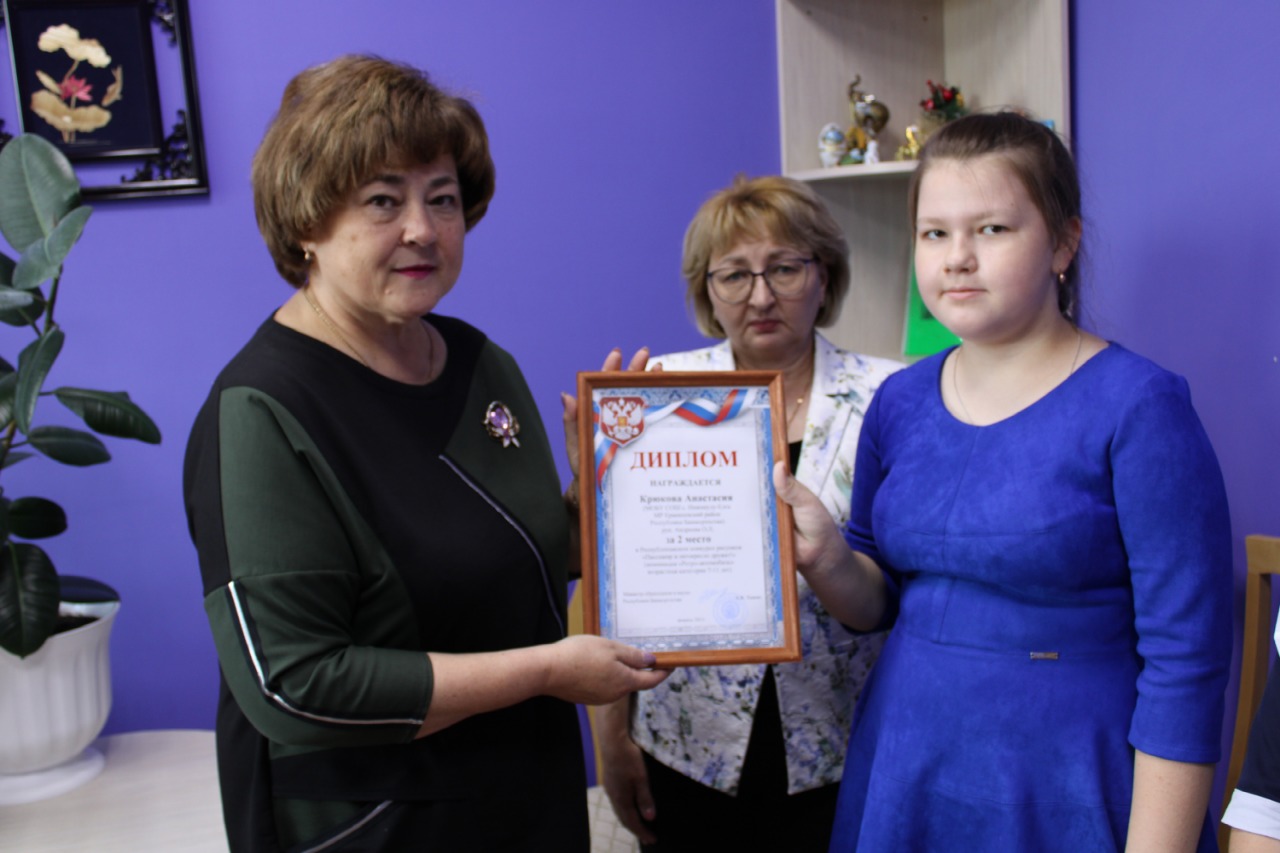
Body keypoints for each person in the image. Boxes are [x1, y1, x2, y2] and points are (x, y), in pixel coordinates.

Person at [183, 55, 666, 853]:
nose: (423, 228)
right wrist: (548, 671)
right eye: (383, 200)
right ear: (305, 221)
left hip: (526, 796)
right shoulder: (262, 412)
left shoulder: (480, 363)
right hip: (380, 821)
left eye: (441, 199)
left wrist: (603, 492)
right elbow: (294, 685)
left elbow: (510, 565)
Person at [772, 112, 1232, 851]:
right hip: (907, 763)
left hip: (1070, 779)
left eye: (991, 229)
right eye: (934, 233)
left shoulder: (1140, 406)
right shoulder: (900, 400)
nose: (957, 258)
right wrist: (828, 559)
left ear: (1064, 243)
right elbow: (877, 602)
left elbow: (1187, 664)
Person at [595, 175, 901, 851]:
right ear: (707, 290)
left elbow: (902, 581)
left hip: (842, 742)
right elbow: (608, 584)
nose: (761, 296)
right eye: (734, 275)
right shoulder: (655, 395)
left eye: (784, 268)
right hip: (689, 746)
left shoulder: (891, 397)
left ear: (825, 275)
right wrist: (611, 739)